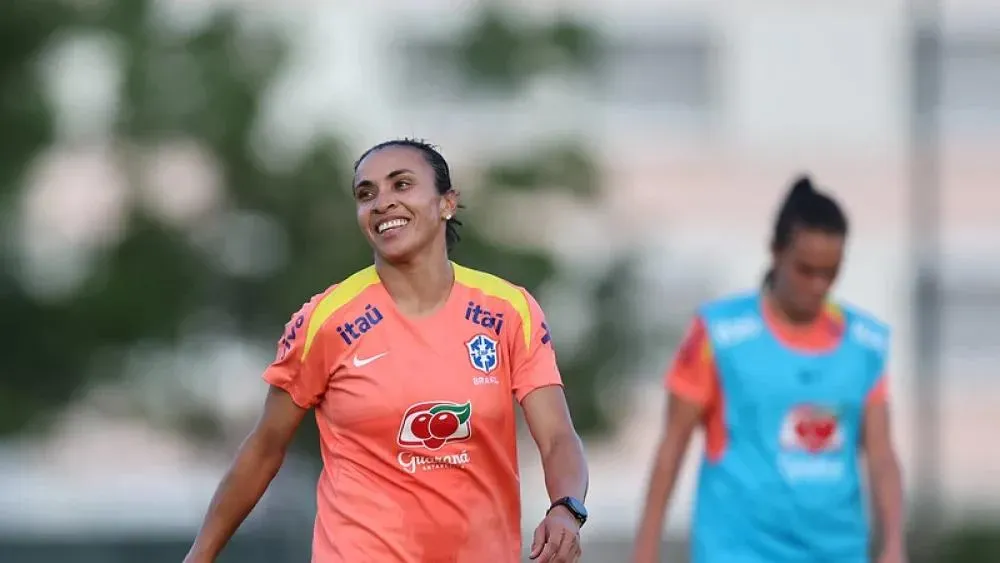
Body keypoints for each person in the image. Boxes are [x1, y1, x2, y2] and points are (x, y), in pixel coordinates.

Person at [183, 139, 589, 563]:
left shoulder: (509, 309)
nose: (382, 203)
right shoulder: (327, 319)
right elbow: (265, 447)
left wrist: (566, 507)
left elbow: (558, 435)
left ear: (447, 203)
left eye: (402, 185)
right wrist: (200, 555)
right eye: (366, 194)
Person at [632, 176, 906, 563]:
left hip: (837, 550)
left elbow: (881, 455)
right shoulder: (719, 334)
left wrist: (894, 544)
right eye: (805, 270)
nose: (817, 285)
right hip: (738, 550)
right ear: (776, 252)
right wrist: (645, 549)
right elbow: (672, 445)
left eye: (829, 273)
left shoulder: (865, 343)